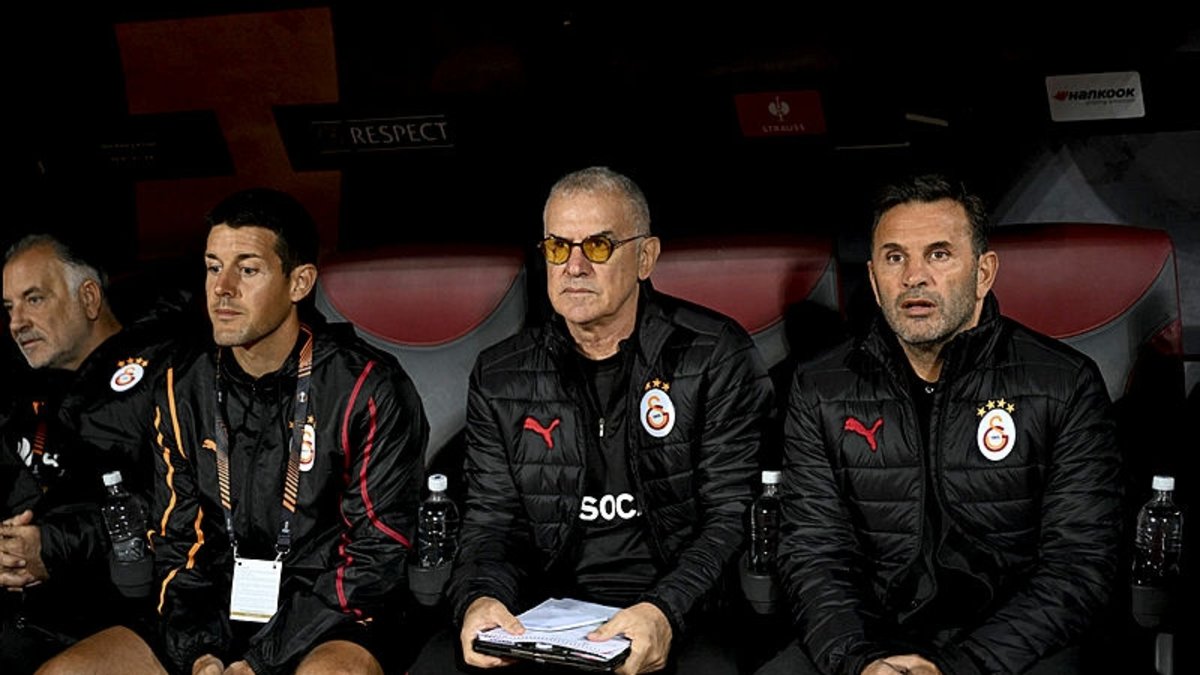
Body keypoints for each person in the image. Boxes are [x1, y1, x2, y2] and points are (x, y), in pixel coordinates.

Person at [37, 188, 429, 675]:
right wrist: (201, 652)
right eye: (212, 267)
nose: (222, 288)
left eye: (247, 270)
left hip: (328, 614)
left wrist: (259, 662)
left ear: (299, 282)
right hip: (214, 609)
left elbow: (376, 555)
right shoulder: (181, 385)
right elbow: (177, 544)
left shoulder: (367, 387)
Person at [411, 166, 773, 675]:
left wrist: (664, 610)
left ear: (645, 257)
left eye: (598, 246)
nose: (574, 267)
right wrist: (480, 598)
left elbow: (730, 516)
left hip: (682, 606)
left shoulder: (713, 354)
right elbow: (491, 523)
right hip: (544, 610)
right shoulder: (501, 373)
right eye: (558, 248)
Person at [761, 174, 1122, 675]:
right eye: (895, 258)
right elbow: (813, 555)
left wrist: (958, 667)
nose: (914, 276)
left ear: (983, 273)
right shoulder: (820, 387)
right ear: (874, 280)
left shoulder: (1064, 383)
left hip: (1011, 647)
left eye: (938, 254)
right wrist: (861, 662)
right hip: (869, 640)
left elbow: (1078, 567)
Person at [1, 234, 177, 674]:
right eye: (9, 308)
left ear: (89, 298)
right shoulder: (24, 392)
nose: (17, 322)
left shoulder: (162, 374)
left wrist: (52, 546)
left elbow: (174, 506)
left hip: (130, 613)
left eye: (34, 299)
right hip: (31, 614)